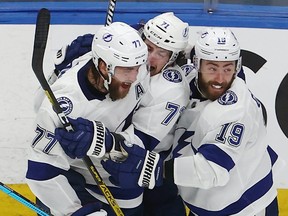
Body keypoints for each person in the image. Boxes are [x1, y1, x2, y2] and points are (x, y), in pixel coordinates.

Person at [101, 27, 279, 216]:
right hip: (205, 206)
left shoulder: (236, 110)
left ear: (236, 67)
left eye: (228, 69)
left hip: (246, 208)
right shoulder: (189, 77)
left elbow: (211, 170)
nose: (220, 78)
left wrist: (151, 167)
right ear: (197, 64)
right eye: (212, 67)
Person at [54, 12, 190, 216]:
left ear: (173, 58)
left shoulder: (172, 89)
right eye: (149, 47)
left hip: (138, 167)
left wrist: (99, 139)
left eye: (161, 54)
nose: (150, 58)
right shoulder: (124, 48)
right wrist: (63, 69)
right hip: (86, 161)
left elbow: (140, 143)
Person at [26, 22, 149, 216]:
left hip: (118, 171)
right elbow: (41, 172)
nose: (134, 77)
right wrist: (75, 211)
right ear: (102, 66)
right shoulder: (63, 105)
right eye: (126, 69)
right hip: (71, 177)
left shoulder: (133, 66)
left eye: (137, 67)